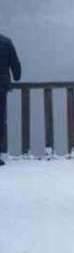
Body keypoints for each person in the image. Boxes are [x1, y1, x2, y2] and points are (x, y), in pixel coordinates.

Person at [0, 32, 21, 166]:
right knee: (0, 119)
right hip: (1, 86)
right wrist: (16, 76)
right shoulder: (6, 42)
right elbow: (16, 64)